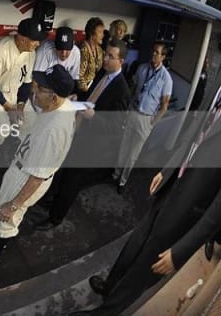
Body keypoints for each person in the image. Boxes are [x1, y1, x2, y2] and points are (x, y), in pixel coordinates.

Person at [71, 115, 221, 315]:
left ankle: (107, 311)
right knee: (135, 243)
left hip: (189, 209)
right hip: (171, 186)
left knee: (144, 267)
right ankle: (111, 285)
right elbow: (192, 135)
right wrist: (167, 170)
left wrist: (182, 251)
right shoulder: (215, 86)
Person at [0, 65, 76, 266]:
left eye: (40, 88)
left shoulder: (54, 131)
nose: (34, 89)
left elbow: (38, 177)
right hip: (24, 164)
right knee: (2, 210)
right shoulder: (61, 104)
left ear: (54, 96)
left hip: (27, 176)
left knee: (7, 215)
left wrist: (14, 204)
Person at [37, 39, 132, 231]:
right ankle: (53, 201)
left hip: (90, 143)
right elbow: (90, 96)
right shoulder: (102, 74)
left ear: (121, 61)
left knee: (72, 180)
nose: (105, 59)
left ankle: (56, 218)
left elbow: (115, 126)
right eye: (105, 54)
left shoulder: (122, 90)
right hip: (77, 131)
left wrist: (94, 116)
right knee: (62, 173)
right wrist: (77, 98)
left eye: (110, 57)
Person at [114, 44, 172, 193]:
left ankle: (122, 181)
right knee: (124, 145)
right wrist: (128, 109)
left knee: (133, 154)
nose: (154, 54)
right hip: (134, 111)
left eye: (157, 53)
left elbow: (164, 106)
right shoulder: (142, 68)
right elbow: (134, 89)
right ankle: (115, 174)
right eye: (153, 51)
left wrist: (152, 123)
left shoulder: (166, 79)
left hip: (146, 119)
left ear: (163, 57)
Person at [77, 17, 105, 100]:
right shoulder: (83, 49)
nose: (102, 35)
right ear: (91, 34)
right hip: (82, 92)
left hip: (93, 90)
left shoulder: (99, 50)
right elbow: (79, 77)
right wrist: (89, 92)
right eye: (100, 32)